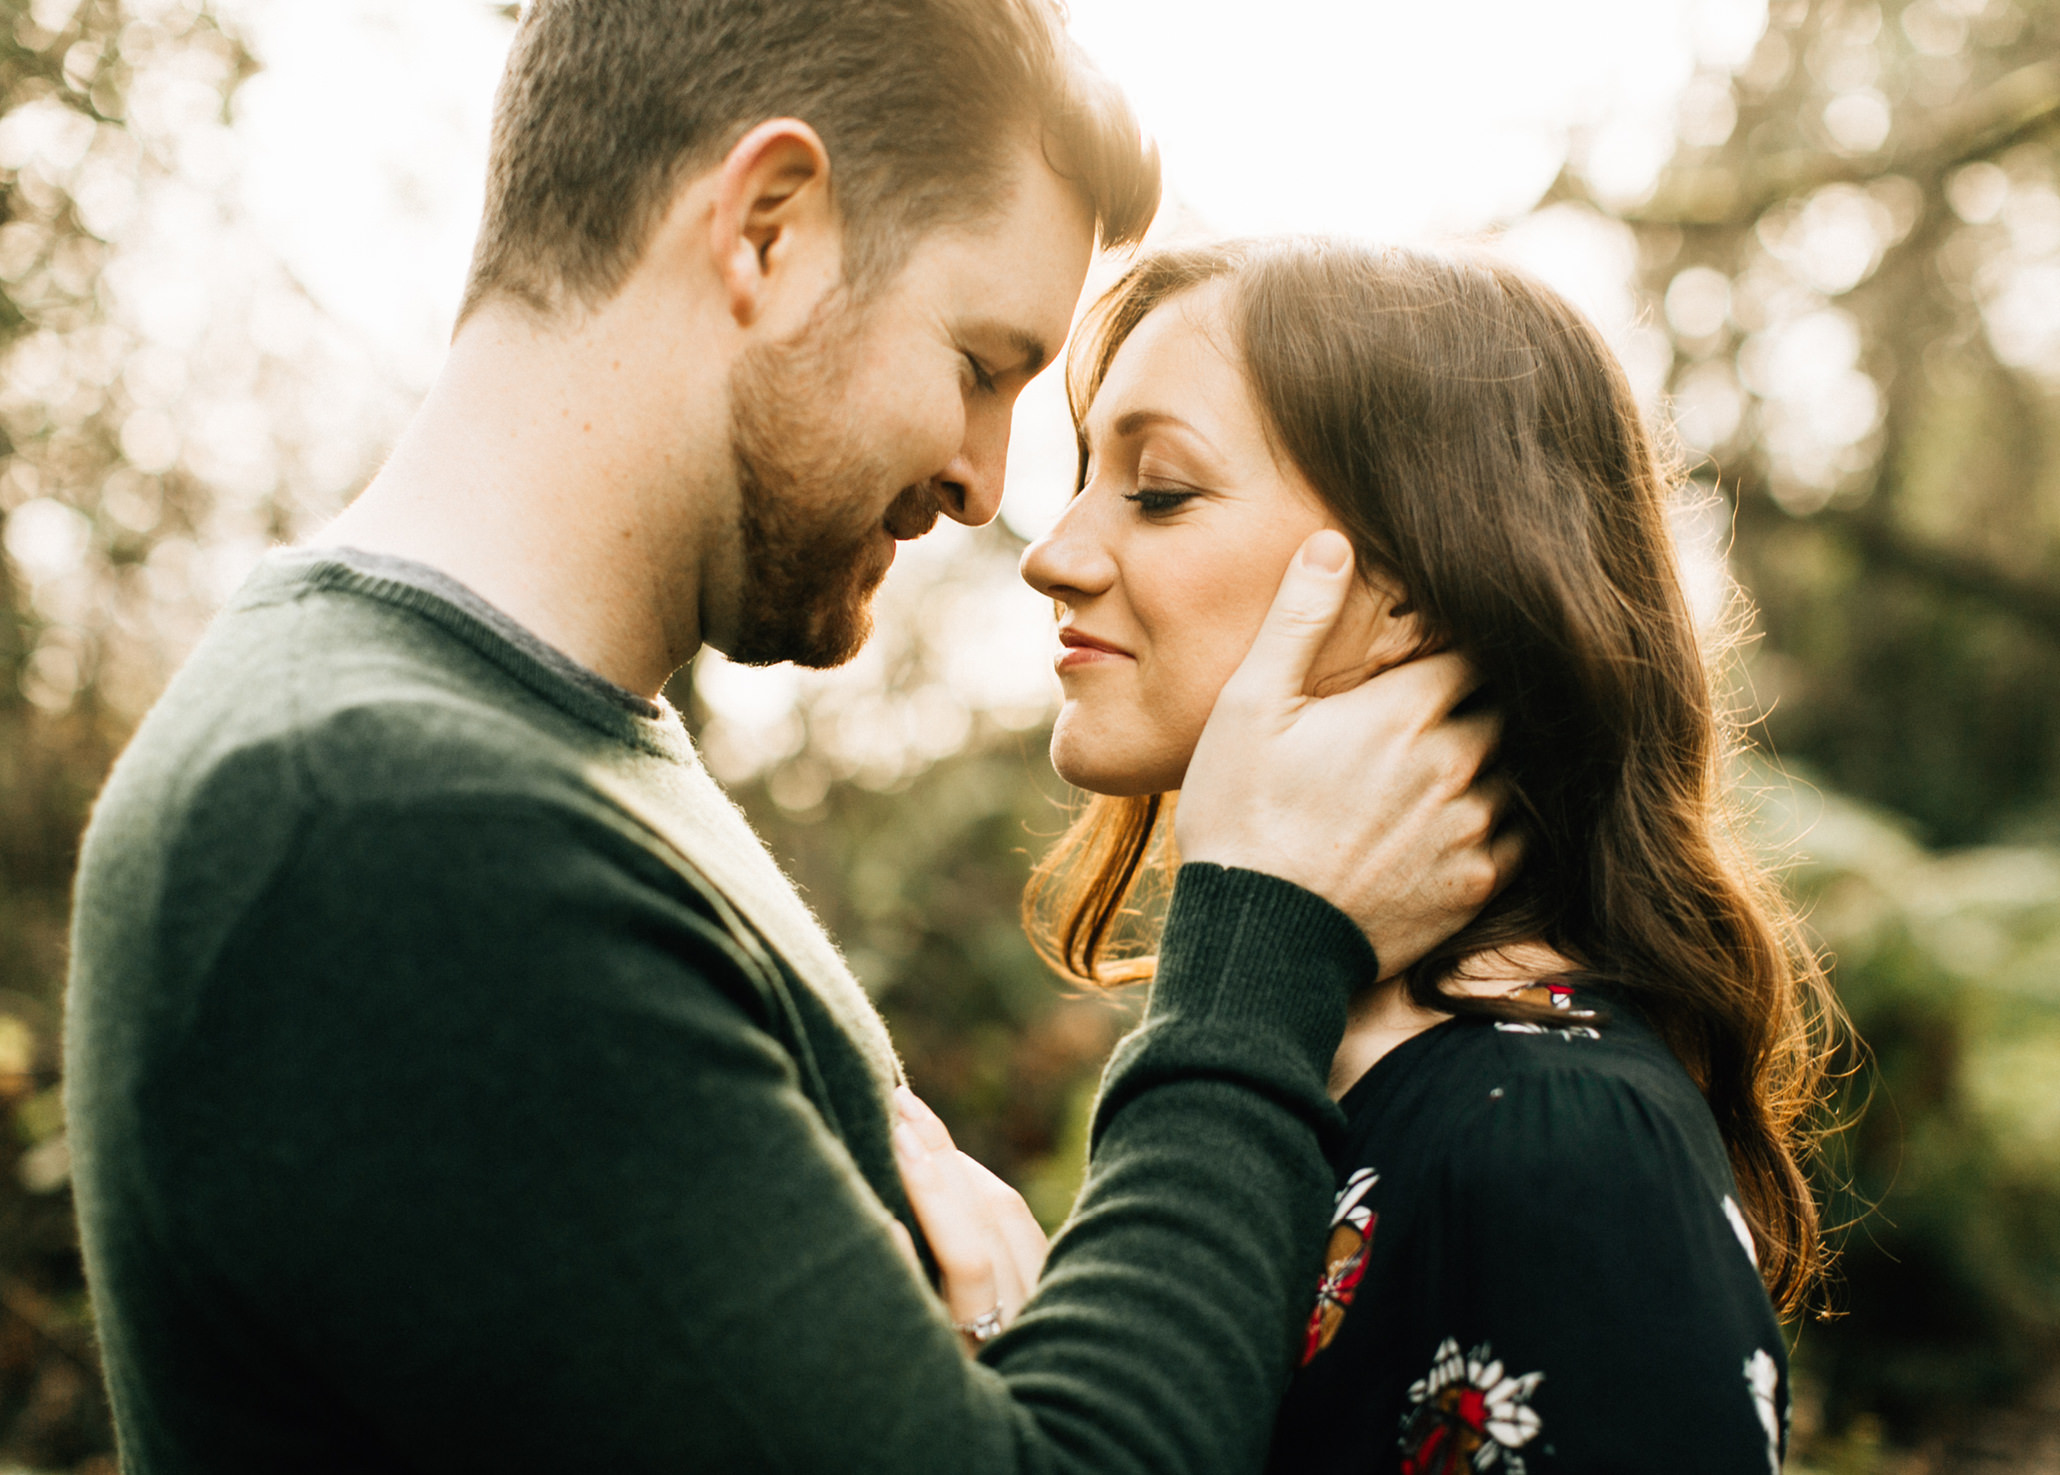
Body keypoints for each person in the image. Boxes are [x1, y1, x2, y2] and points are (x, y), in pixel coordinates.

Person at [63, 5, 1517, 1473]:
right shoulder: (383, 824)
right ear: (768, 227)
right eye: (978, 362)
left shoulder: (549, 752)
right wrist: (1258, 950)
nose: (984, 481)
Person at [1020, 239, 1842, 1474]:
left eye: (1158, 488)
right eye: (1084, 476)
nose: (1053, 552)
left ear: (1408, 581)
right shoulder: (1297, 1086)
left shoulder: (1559, 1146)